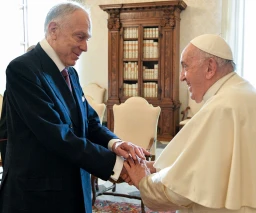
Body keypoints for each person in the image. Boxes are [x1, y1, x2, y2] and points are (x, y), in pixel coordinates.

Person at [0, 2, 148, 213]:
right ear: (53, 30)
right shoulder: (22, 70)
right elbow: (57, 136)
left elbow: (89, 121)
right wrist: (116, 166)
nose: (85, 47)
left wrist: (115, 144)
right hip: (38, 196)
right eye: (80, 37)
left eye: (87, 39)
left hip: (74, 188)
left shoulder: (70, 72)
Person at [123, 34, 256, 213]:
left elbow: (182, 188)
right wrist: (156, 168)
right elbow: (203, 163)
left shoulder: (223, 106)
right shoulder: (241, 91)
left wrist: (144, 181)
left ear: (210, 67)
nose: (182, 77)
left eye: (185, 67)